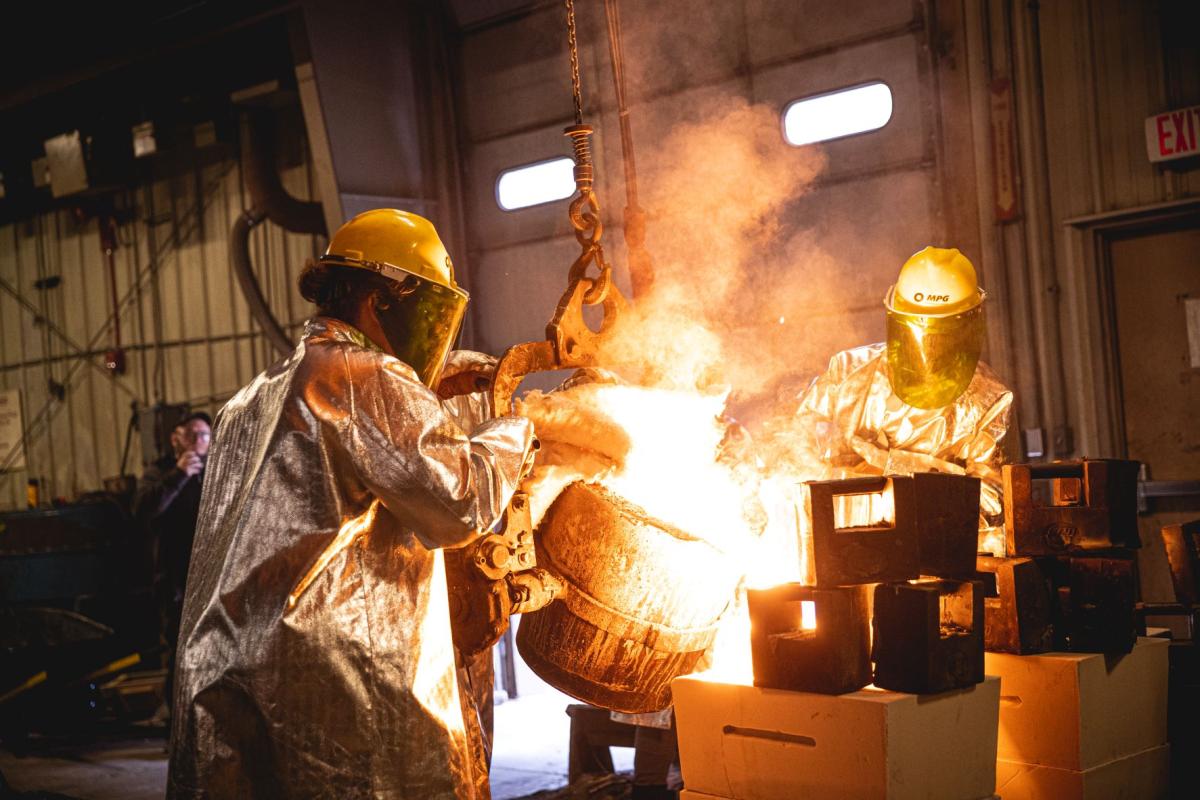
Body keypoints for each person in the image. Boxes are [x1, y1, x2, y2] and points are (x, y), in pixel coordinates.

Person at [167, 209, 536, 799]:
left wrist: (431, 392)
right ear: (383, 300)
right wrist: (517, 428)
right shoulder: (366, 376)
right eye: (429, 310)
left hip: (226, 671)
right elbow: (462, 502)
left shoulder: (248, 402)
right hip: (333, 686)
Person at [781, 246, 1013, 539]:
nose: (929, 348)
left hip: (931, 552)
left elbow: (992, 501)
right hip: (838, 542)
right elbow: (792, 451)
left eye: (941, 338)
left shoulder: (988, 399)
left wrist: (890, 464)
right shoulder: (849, 372)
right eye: (920, 334)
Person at [134, 410, 212, 707]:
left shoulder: (215, 471)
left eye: (203, 435)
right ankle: (176, 727)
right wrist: (179, 475)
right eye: (190, 435)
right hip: (175, 580)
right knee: (181, 653)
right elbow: (144, 510)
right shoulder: (161, 472)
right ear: (175, 439)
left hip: (212, 577)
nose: (197, 441)